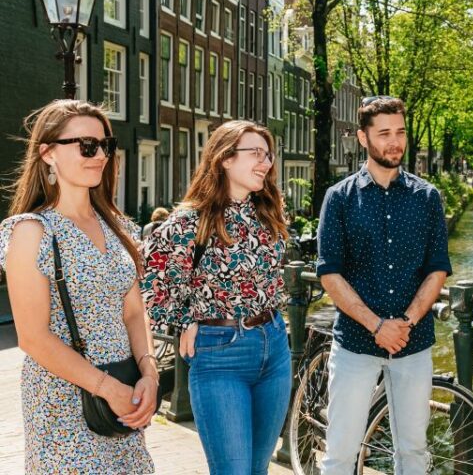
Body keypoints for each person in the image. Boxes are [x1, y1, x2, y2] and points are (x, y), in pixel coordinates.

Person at [0, 100, 156, 473]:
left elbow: (134, 312)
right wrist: (107, 389)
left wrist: (149, 373)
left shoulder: (117, 228)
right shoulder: (32, 231)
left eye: (105, 144)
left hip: (124, 395)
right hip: (64, 402)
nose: (99, 154)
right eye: (86, 145)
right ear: (48, 153)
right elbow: (33, 337)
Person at [141, 120, 290, 475]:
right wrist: (183, 320)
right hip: (221, 355)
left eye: (268, 155)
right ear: (224, 158)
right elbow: (148, 279)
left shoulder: (267, 212)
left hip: (275, 348)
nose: (266, 162)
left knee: (258, 470)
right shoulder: (190, 220)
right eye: (255, 153)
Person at [316, 96, 452, 474]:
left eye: (401, 132)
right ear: (363, 138)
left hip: (413, 342)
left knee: (413, 451)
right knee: (341, 451)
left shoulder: (427, 198)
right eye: (384, 133)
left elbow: (437, 269)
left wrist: (404, 323)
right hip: (356, 345)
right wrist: (376, 325)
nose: (395, 142)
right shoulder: (339, 199)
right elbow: (330, 273)